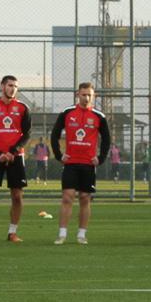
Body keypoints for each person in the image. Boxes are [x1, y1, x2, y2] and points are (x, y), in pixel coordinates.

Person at [49, 82, 110, 244]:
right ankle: (62, 234)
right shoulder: (67, 113)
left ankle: (81, 235)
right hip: (71, 163)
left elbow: (106, 139)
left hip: (88, 164)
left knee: (84, 198)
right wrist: (59, 155)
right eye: (84, 94)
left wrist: (101, 158)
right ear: (78, 95)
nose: (86, 98)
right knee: (67, 197)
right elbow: (54, 134)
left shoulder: (99, 116)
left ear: (94, 96)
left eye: (89, 95)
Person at [0, 74, 31, 243]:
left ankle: (12, 232)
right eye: (10, 85)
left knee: (17, 196)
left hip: (16, 156)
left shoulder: (23, 108)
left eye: (15, 86)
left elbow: (26, 134)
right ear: (2, 87)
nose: (12, 89)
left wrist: (13, 152)